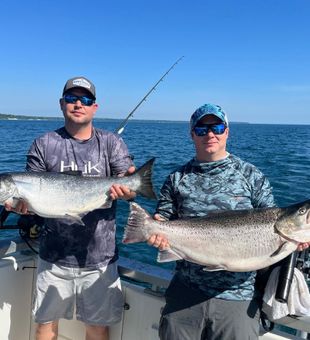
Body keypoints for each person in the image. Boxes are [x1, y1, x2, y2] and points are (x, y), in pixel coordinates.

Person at [148, 103, 309, 340]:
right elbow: (163, 219)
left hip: (238, 296)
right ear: (192, 134)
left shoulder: (252, 176)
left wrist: (299, 241)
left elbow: (272, 216)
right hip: (185, 291)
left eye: (217, 127)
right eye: (201, 129)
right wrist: (155, 234)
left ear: (227, 131)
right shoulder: (176, 178)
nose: (210, 134)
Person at [5, 76, 136, 340]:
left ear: (94, 107)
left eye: (85, 99)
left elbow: (130, 186)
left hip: (100, 257)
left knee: (97, 329)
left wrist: (130, 186)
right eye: (72, 98)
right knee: (45, 326)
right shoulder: (44, 144)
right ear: (61, 104)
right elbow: (32, 202)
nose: (79, 104)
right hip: (54, 257)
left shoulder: (111, 143)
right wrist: (21, 206)